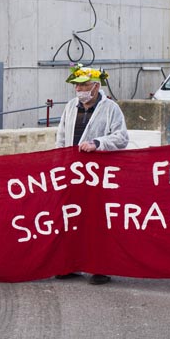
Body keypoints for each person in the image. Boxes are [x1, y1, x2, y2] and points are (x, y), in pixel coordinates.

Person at [54, 64, 130, 284]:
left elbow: (122, 137)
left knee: (98, 221)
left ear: (96, 86)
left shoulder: (110, 109)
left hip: (98, 174)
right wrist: (60, 161)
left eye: (84, 85)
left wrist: (98, 143)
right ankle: (72, 264)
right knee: (72, 218)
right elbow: (61, 137)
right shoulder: (70, 107)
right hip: (73, 173)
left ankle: (100, 266)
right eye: (77, 86)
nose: (80, 90)